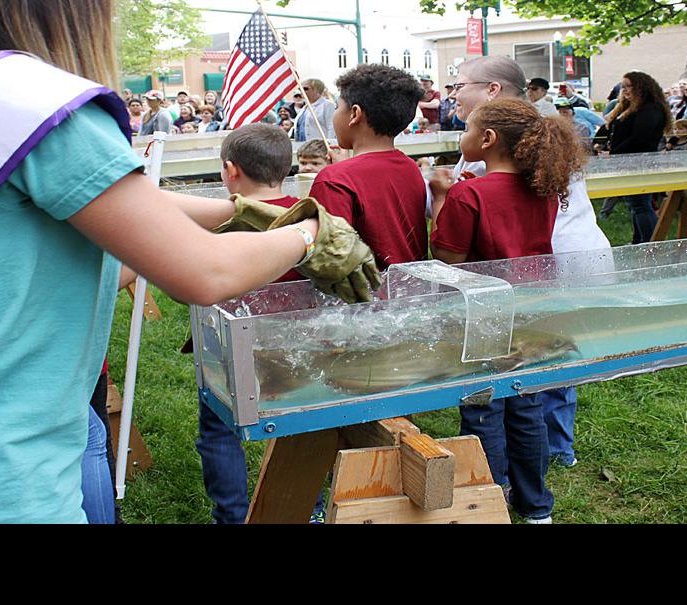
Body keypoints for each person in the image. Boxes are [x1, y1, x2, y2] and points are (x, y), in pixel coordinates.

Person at [0, 0, 377, 524]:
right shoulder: (34, 107)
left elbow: (97, 196)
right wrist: (308, 231)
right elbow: (206, 273)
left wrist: (237, 209)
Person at [430, 98, 601, 523]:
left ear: (487, 140)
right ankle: (536, 503)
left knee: (484, 407)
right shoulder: (542, 188)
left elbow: (447, 258)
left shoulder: (469, 193)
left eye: (466, 128)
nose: (461, 134)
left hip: (484, 317)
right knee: (526, 406)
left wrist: (441, 199)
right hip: (533, 310)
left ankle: (489, 496)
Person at [195, 123, 305, 524]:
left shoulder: (220, 223)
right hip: (298, 344)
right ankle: (303, 506)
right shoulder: (307, 213)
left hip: (230, 346)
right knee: (299, 425)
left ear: (230, 170)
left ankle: (233, 515)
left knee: (220, 429)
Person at [308, 64, 428, 270]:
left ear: (355, 114)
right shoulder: (410, 167)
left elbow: (329, 258)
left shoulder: (333, 180)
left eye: (337, 107)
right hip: (413, 289)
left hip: (367, 296)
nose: (335, 113)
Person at [606, 71, 671, 245]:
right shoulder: (630, 107)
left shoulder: (650, 108)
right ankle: (639, 241)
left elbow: (639, 138)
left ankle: (651, 244)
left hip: (640, 161)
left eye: (629, 86)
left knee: (641, 204)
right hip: (627, 160)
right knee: (634, 204)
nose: (625, 89)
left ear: (641, 87)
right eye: (623, 86)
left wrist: (612, 154)